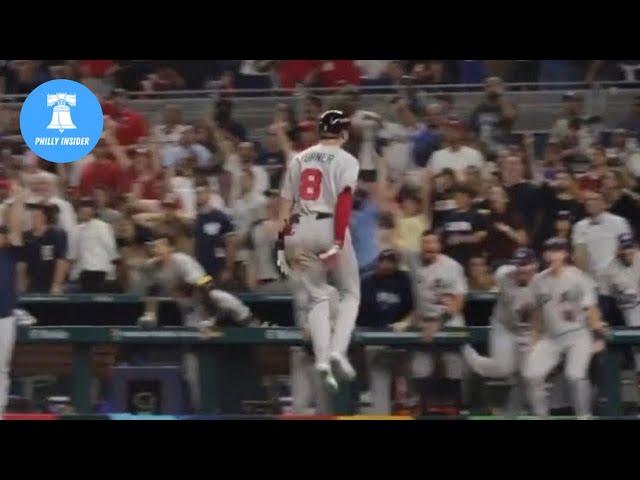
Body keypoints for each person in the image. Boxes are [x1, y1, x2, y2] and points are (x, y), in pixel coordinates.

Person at [277, 109, 361, 392]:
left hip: (298, 229)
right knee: (351, 293)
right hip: (328, 224)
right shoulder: (347, 159)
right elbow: (345, 202)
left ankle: (323, 360)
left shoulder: (299, 158)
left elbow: (284, 205)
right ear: (344, 134)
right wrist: (337, 241)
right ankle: (338, 349)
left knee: (317, 297)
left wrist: (284, 243)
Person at [524, 237, 608, 419]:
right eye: (550, 251)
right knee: (531, 375)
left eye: (557, 251)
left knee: (574, 376)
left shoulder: (578, 277)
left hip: (578, 335)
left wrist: (598, 336)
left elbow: (591, 308)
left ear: (565, 254)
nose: (553, 255)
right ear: (545, 255)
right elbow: (537, 316)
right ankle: (541, 415)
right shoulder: (538, 281)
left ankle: (584, 416)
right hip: (551, 337)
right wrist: (534, 340)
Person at [462, 248, 537, 416]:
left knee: (528, 375)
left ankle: (511, 413)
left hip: (528, 332)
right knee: (504, 369)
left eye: (525, 265)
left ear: (534, 265)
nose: (521, 269)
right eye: (518, 265)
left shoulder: (543, 284)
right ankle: (466, 353)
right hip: (503, 327)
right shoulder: (503, 274)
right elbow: (483, 282)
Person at [406, 230, 468, 415]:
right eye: (425, 243)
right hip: (424, 321)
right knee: (419, 367)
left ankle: (455, 409)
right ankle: (424, 410)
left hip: (449, 320)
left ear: (440, 246)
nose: (429, 247)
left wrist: (437, 323)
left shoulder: (451, 267)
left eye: (433, 243)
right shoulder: (414, 261)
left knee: (454, 365)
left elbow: (457, 300)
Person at [357, 249, 414, 414]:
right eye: (384, 261)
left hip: (401, 339)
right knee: (379, 383)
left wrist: (406, 322)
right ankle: (381, 413)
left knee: (409, 386)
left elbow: (414, 307)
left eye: (391, 261)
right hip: (375, 339)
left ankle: (406, 406)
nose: (386, 265)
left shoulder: (404, 280)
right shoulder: (367, 281)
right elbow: (360, 313)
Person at [572, 190, 632, 293]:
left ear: (605, 204)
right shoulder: (579, 226)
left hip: (619, 279)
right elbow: (580, 254)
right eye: (587, 200)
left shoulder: (619, 222)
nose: (589, 203)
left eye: (594, 199)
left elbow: (628, 250)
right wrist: (584, 281)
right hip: (594, 281)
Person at [0, 182, 25, 416]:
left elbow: (16, 232)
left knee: (1, 370)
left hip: (3, 314)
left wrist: (17, 200)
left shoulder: (9, 248)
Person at [602, 234, 640, 377]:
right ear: (617, 250)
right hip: (623, 314)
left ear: (635, 247)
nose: (627, 251)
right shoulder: (609, 270)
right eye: (624, 248)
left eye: (630, 247)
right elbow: (605, 302)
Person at [68, 198, 119, 293]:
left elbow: (110, 248)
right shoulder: (76, 229)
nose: (84, 213)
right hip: (84, 270)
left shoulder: (103, 226)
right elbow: (72, 254)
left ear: (93, 211)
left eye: (87, 210)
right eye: (82, 210)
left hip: (101, 271)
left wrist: (114, 263)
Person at [18, 203, 68, 294]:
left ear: (44, 217)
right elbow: (22, 264)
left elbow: (61, 261)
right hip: (33, 284)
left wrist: (56, 285)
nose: (32, 219)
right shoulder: (27, 237)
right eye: (31, 217)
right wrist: (21, 286)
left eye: (36, 216)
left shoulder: (56, 234)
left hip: (51, 283)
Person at [438, 183, 488, 271]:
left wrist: (460, 239)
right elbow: (440, 232)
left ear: (470, 199)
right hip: (448, 258)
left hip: (468, 257)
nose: (459, 199)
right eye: (457, 197)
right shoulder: (447, 215)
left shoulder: (477, 216)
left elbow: (480, 236)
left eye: (462, 197)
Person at [194, 184, 235, 285]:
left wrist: (228, 269)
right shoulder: (195, 220)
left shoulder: (221, 218)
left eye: (201, 192)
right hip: (201, 270)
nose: (199, 196)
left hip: (218, 268)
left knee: (219, 294)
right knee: (204, 292)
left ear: (208, 194)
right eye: (197, 193)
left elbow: (230, 244)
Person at [468, 76, 518, 160]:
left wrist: (500, 95)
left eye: (494, 85)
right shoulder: (478, 109)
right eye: (488, 86)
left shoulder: (508, 105)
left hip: (503, 152)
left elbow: (510, 116)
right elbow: (472, 133)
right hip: (483, 153)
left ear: (502, 87)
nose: (491, 89)